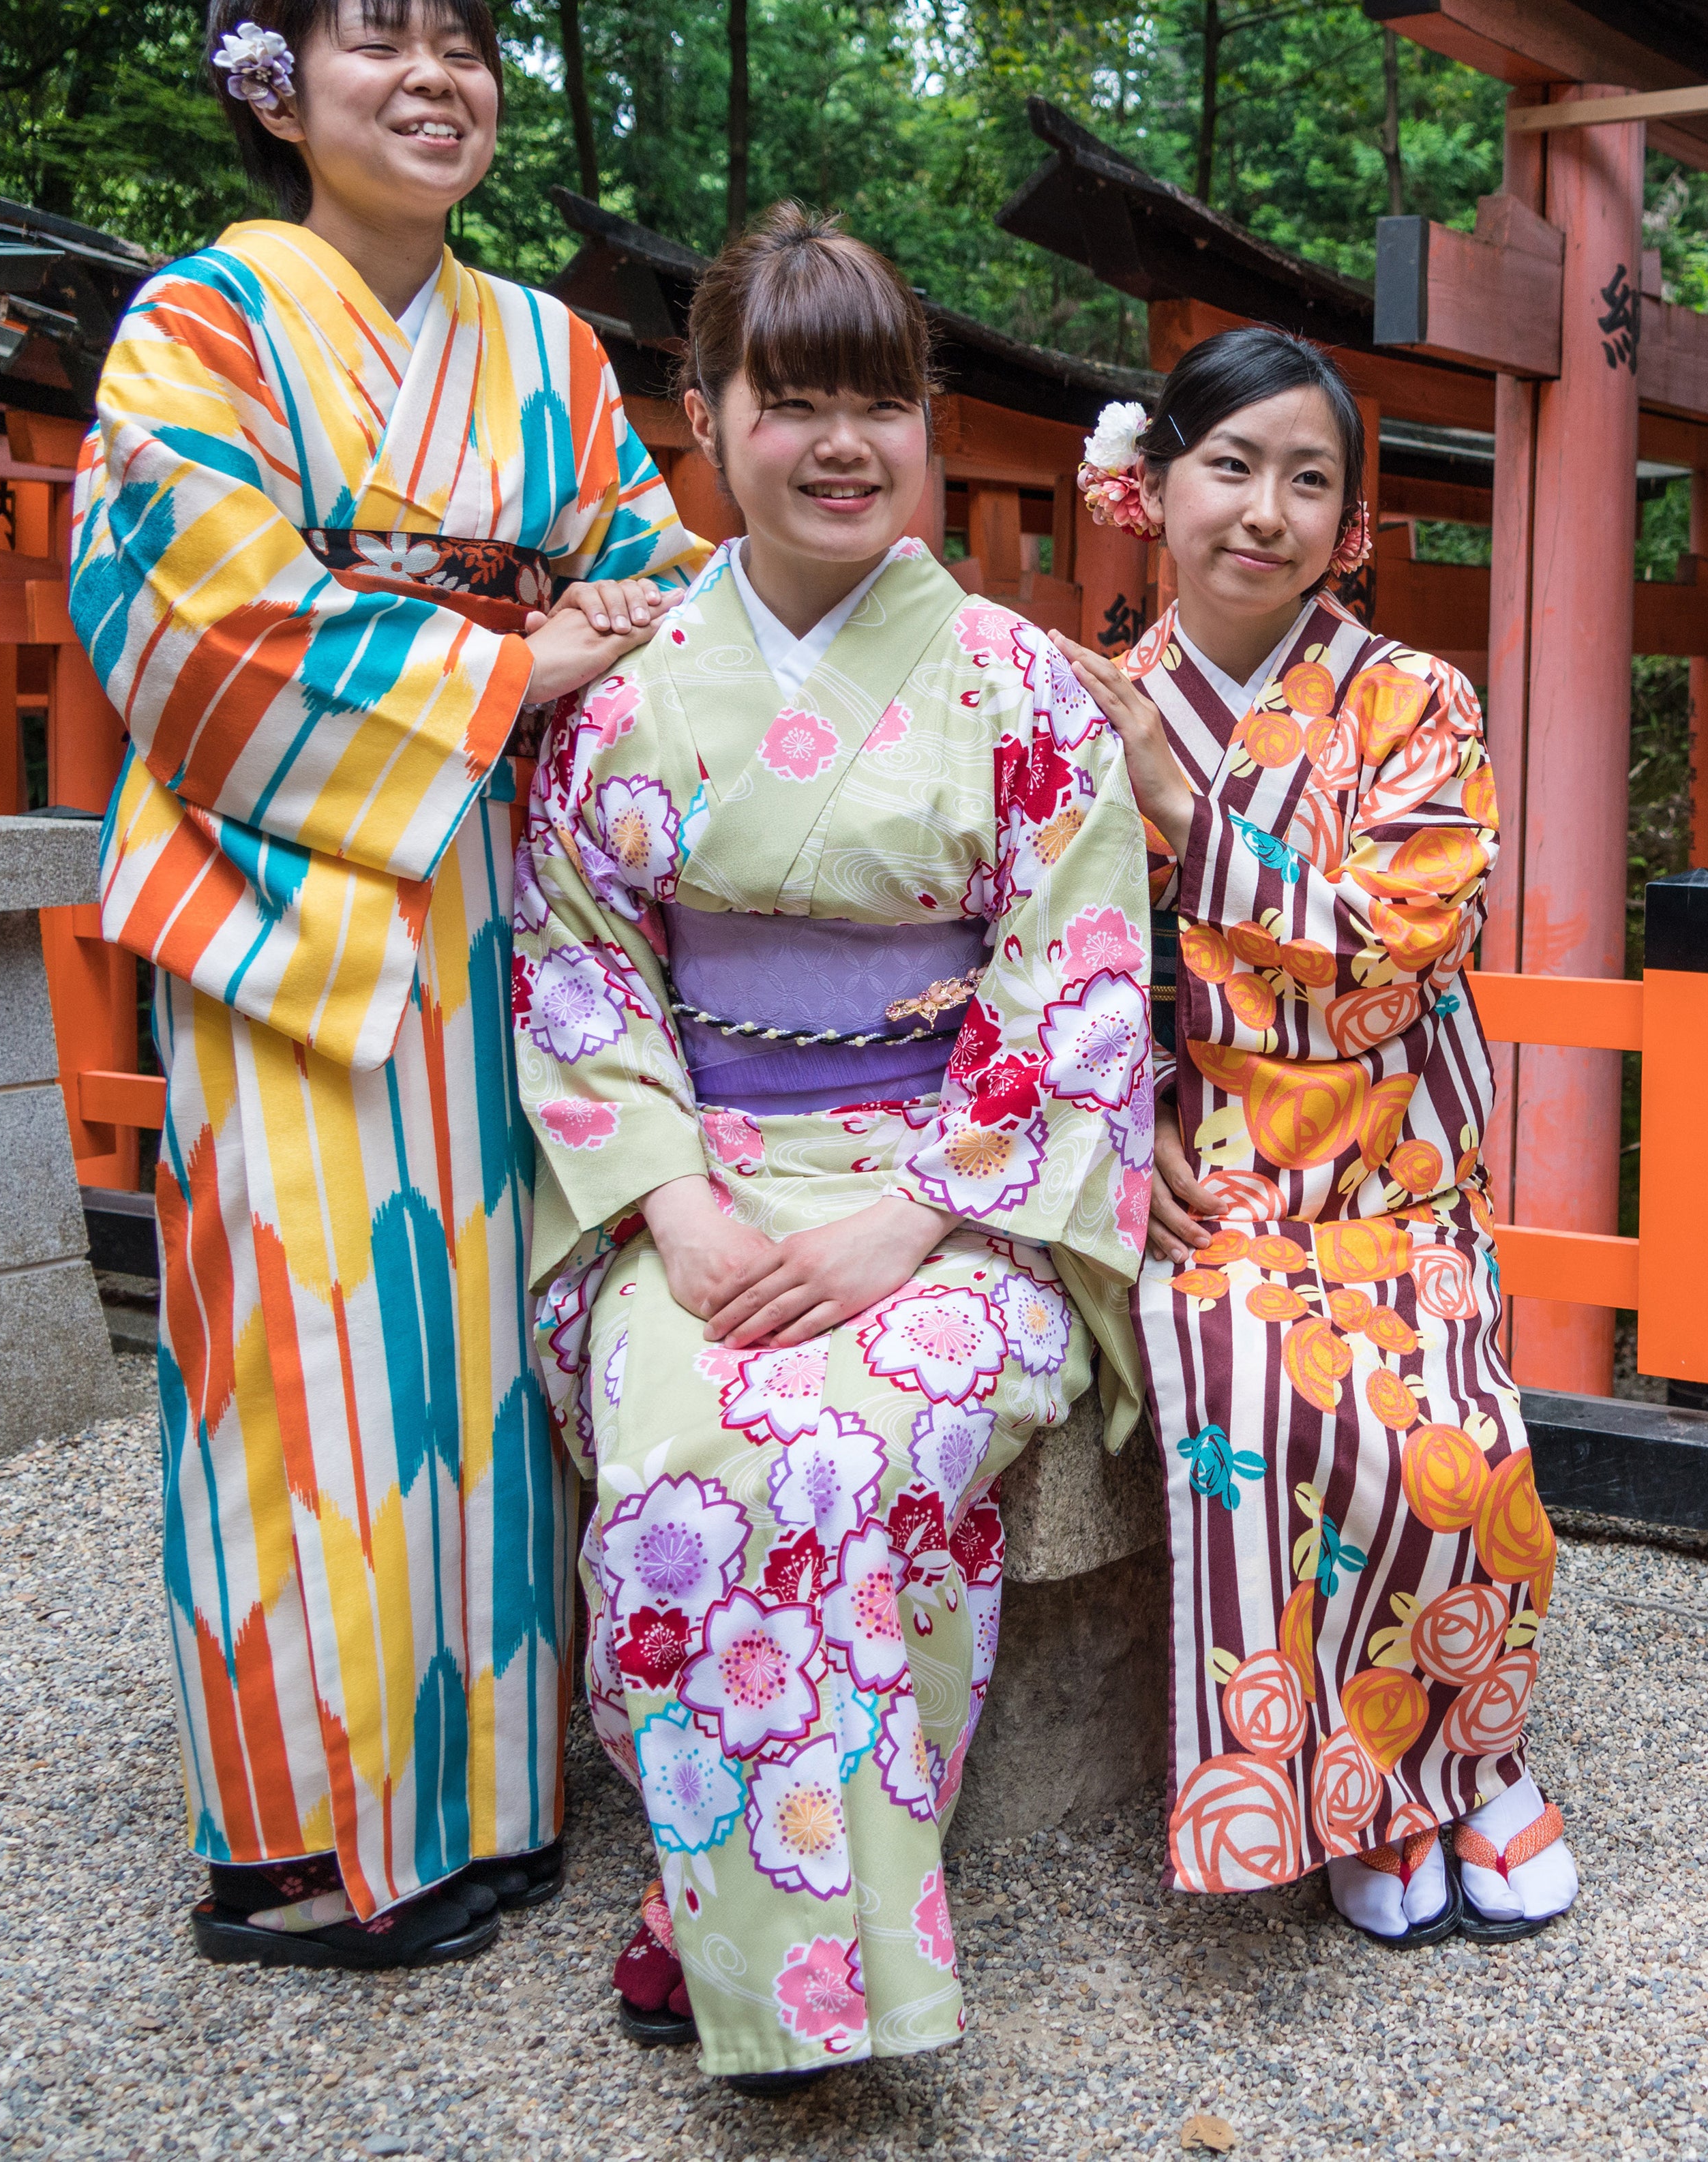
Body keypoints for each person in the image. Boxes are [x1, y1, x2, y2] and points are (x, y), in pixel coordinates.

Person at [70, 0, 702, 1970]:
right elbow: (205, 609)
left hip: (511, 891)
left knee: (489, 1350)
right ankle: (309, 1837)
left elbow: (652, 576)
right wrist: (517, 656)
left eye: (465, 53)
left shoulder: (549, 346)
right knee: (307, 1348)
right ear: (274, 87)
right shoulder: (201, 321)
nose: (437, 85)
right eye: (381, 51)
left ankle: (498, 1794)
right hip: (295, 898)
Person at [514, 203, 1154, 2087]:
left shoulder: (1025, 688)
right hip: (701, 1183)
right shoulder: (622, 696)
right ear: (703, 419)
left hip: (957, 1199)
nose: (842, 443)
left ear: (930, 426)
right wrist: (671, 1212)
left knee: (852, 1439)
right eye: (790, 401)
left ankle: (732, 1920)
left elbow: (1080, 987)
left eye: (880, 399)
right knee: (684, 1437)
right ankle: (767, 1921)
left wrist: (921, 1220)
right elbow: (576, 969)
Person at [1052, 327, 1580, 1950]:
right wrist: (1119, 1139)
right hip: (1206, 1171)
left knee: (1455, 1439)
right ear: (1149, 492)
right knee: (1264, 1407)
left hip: (1392, 1166)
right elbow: (1043, 963)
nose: (1262, 510)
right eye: (1229, 466)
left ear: (1351, 528)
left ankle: (1468, 1760)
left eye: (1307, 480)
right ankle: (1350, 1792)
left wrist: (1181, 805)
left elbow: (1402, 935)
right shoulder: (1083, 707)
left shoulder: (1413, 699)